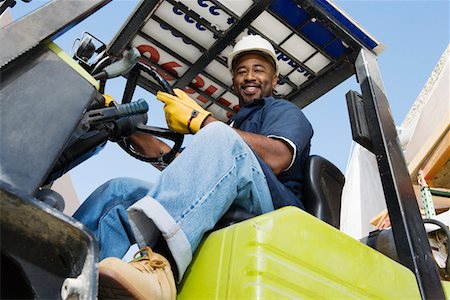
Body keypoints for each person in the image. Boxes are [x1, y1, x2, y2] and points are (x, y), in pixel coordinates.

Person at [73, 35, 313, 299]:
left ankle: (158, 268)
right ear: (234, 81)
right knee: (120, 191)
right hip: (227, 199)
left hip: (276, 214)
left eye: (259, 70)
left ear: (274, 79)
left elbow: (278, 157)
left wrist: (202, 120)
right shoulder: (230, 128)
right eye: (242, 71)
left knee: (219, 136)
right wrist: (125, 126)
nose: (249, 77)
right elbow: (180, 166)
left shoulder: (282, 111)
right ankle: (69, 273)